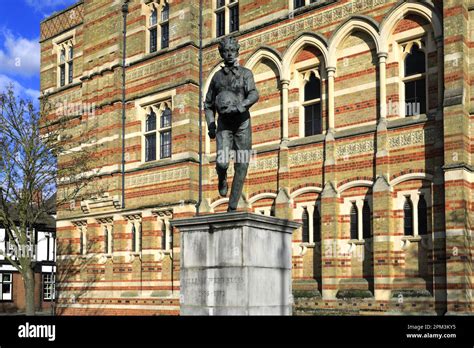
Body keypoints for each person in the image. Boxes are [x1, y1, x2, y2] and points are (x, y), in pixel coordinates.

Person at [204, 37, 259, 212]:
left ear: (237, 52)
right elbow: (208, 104)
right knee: (222, 162)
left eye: (232, 51)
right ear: (221, 53)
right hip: (224, 126)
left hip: (242, 124)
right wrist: (211, 124)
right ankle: (222, 177)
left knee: (242, 164)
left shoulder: (246, 74)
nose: (229, 54)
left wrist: (240, 106)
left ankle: (232, 206)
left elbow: (254, 94)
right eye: (225, 51)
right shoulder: (217, 78)